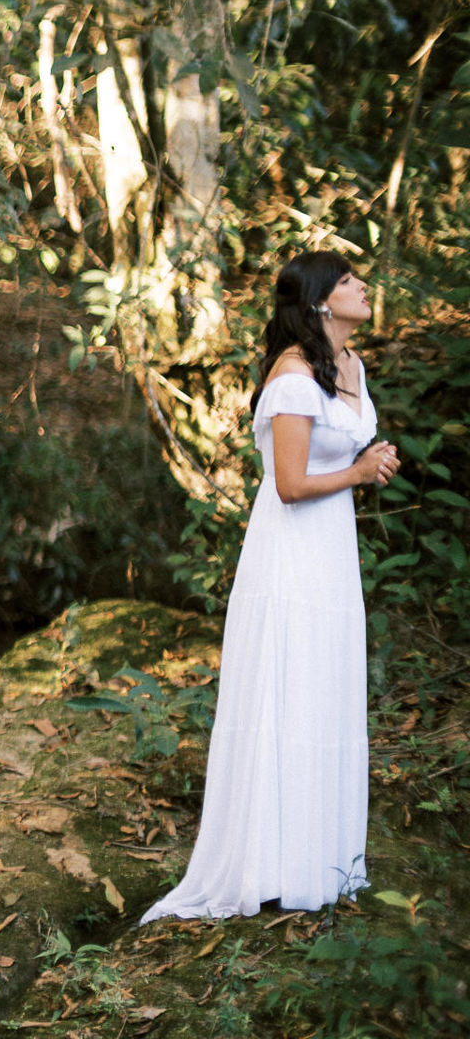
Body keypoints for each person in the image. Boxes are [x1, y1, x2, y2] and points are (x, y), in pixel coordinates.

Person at [140, 252, 400, 924]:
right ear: (319, 301)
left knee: (323, 689)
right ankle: (273, 865)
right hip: (291, 554)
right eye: (347, 281)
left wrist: (370, 466)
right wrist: (358, 471)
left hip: (331, 552)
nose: (362, 287)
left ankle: (322, 862)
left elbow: (343, 453)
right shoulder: (290, 377)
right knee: (290, 689)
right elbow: (288, 485)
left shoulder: (350, 367)